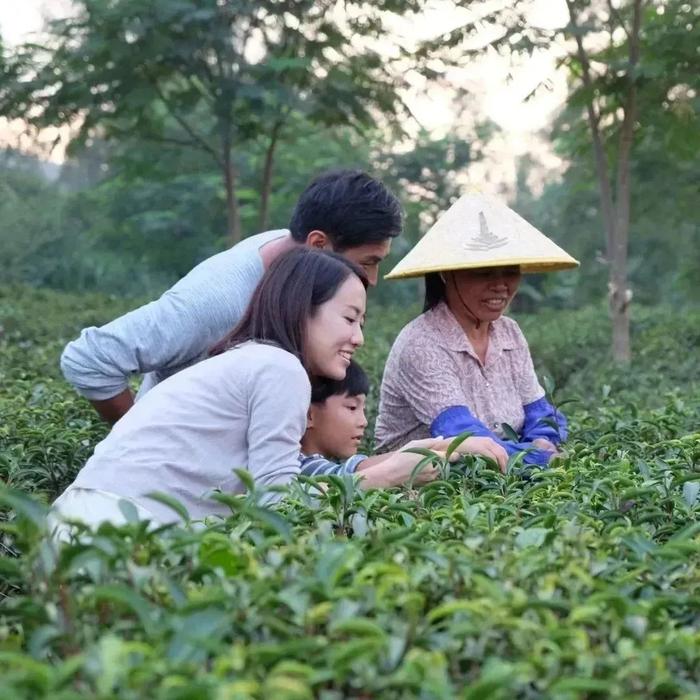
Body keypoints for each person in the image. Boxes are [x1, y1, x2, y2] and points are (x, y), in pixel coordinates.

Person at [49, 248, 367, 536]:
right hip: (117, 531)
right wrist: (384, 478)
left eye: (361, 323)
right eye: (350, 318)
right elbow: (277, 503)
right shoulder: (280, 369)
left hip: (77, 523)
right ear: (302, 309)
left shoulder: (244, 358)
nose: (358, 338)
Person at [60, 169, 402, 424]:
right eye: (366, 263)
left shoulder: (290, 253)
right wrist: (141, 437)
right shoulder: (217, 301)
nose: (371, 280)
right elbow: (90, 358)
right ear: (317, 244)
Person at [375, 193, 579, 467]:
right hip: (427, 489)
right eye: (483, 273)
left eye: (509, 271)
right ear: (447, 274)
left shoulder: (509, 332)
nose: (500, 285)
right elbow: (462, 436)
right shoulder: (421, 343)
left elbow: (540, 411)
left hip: (505, 480)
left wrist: (543, 439)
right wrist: (542, 459)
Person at [300, 360, 508, 486]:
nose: (363, 422)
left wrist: (446, 445)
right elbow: (351, 476)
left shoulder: (327, 462)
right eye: (352, 408)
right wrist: (445, 447)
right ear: (309, 415)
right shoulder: (300, 468)